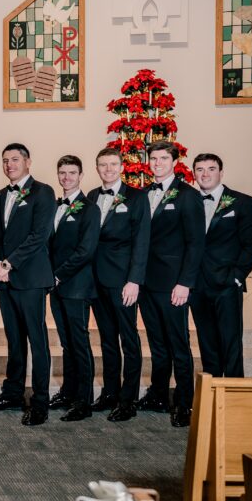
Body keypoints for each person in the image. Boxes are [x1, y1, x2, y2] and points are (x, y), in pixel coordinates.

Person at [138, 141, 204, 428]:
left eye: (163, 158)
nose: (157, 163)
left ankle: (184, 402)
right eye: (153, 158)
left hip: (173, 283)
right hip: (146, 282)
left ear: (174, 161)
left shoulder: (188, 196)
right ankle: (159, 394)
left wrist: (185, 282)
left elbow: (195, 243)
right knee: (157, 343)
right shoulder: (141, 194)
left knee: (178, 344)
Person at [0, 143, 55, 427]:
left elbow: (40, 235)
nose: (9, 165)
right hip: (4, 280)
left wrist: (10, 263)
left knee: (37, 341)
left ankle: (40, 401)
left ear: (28, 162)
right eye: (5, 160)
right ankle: (13, 392)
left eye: (15, 160)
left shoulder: (43, 191)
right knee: (14, 340)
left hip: (30, 278)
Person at [86, 148, 149, 423]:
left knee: (128, 339)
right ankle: (110, 392)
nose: (108, 169)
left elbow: (142, 241)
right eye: (103, 165)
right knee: (107, 339)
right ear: (97, 168)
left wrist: (134, 280)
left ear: (122, 166)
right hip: (95, 280)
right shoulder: (90, 197)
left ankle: (128, 398)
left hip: (123, 281)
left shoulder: (136, 197)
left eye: (113, 164)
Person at [190, 153, 252, 378]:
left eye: (211, 169)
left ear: (221, 172)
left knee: (231, 342)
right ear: (194, 174)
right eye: (200, 169)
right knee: (206, 342)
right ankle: (211, 394)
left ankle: (232, 395)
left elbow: (251, 244)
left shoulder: (242, 202)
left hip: (227, 283)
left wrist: (237, 277)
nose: (205, 174)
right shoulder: (188, 202)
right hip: (197, 284)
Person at [47, 155, 101, 422]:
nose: (66, 177)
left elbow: (85, 251)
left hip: (77, 286)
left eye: (72, 173)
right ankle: (68, 392)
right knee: (67, 343)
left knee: (80, 344)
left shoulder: (89, 209)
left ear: (81, 176)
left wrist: (57, 275)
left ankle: (84, 401)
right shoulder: (54, 206)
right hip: (56, 288)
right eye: (62, 173)